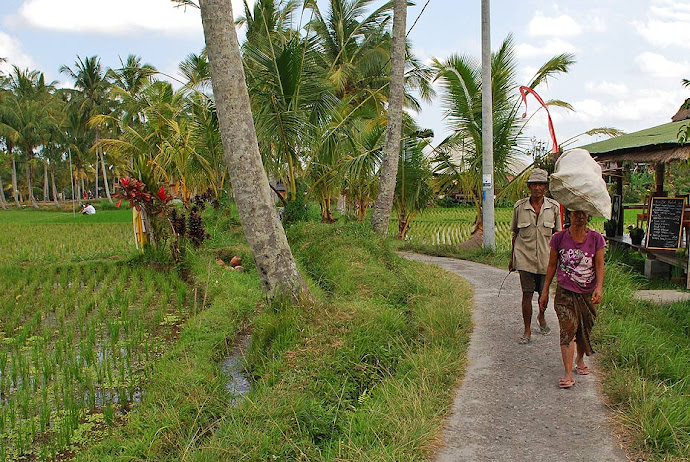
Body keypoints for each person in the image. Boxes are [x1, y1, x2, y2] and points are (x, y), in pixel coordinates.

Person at [539, 210, 606, 389]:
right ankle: (568, 373)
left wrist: (599, 287)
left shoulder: (596, 239)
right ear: (569, 215)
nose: (580, 217)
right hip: (565, 294)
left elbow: (599, 265)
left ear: (588, 217)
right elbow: (552, 265)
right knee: (568, 329)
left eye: (583, 214)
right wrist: (545, 291)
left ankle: (580, 359)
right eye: (576, 214)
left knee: (584, 327)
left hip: (587, 294)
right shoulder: (559, 238)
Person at [509, 168, 562, 344]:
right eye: (534, 184)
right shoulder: (519, 207)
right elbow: (515, 234)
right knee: (527, 294)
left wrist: (559, 261)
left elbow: (558, 236)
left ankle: (541, 315)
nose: (537, 188)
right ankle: (527, 330)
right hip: (525, 258)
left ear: (545, 187)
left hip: (546, 260)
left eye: (541, 184)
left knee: (543, 294)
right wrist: (512, 259)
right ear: (529, 187)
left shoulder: (553, 207)